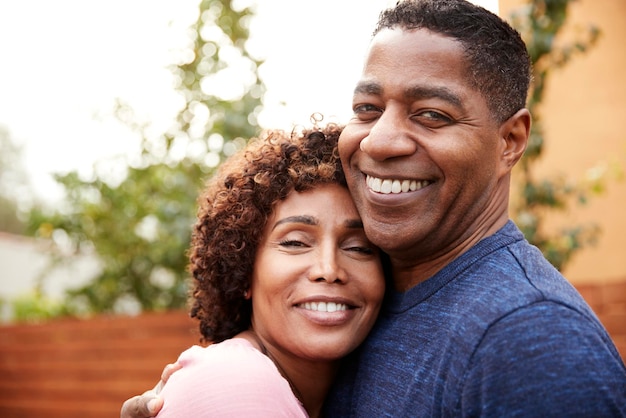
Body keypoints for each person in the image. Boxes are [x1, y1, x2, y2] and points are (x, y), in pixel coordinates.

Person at [123, 0, 626, 416]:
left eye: (431, 115)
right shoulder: (366, 310)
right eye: (367, 109)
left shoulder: (527, 339)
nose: (381, 140)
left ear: (511, 141)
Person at [123, 124, 385, 418]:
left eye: (359, 247)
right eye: (295, 242)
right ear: (244, 272)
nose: (329, 269)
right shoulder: (235, 382)